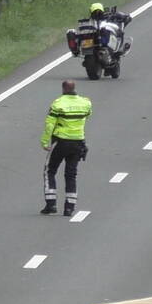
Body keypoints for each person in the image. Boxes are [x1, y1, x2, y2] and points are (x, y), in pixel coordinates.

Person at [41, 79, 92, 217]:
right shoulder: (86, 103)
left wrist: (45, 142)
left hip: (61, 141)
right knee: (71, 174)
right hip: (78, 142)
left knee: (49, 171)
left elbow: (49, 124)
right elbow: (87, 116)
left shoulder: (58, 104)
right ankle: (69, 207)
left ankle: (51, 204)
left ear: (63, 89)